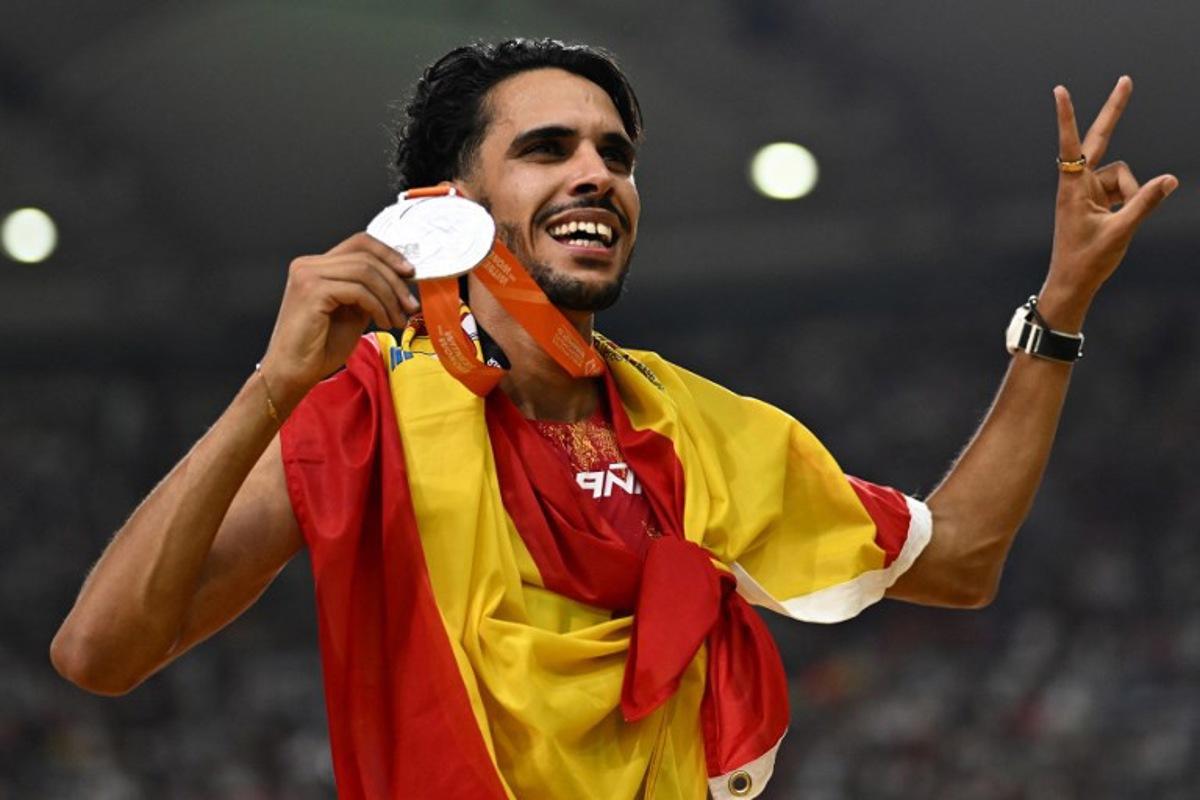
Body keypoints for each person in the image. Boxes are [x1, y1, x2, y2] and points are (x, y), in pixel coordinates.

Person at [50, 38, 1177, 800]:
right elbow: (102, 652)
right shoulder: (365, 410)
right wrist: (271, 387)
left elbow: (962, 558)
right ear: (447, 208)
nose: (597, 173)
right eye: (547, 149)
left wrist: (1061, 309)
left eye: (616, 155)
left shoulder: (696, 425)